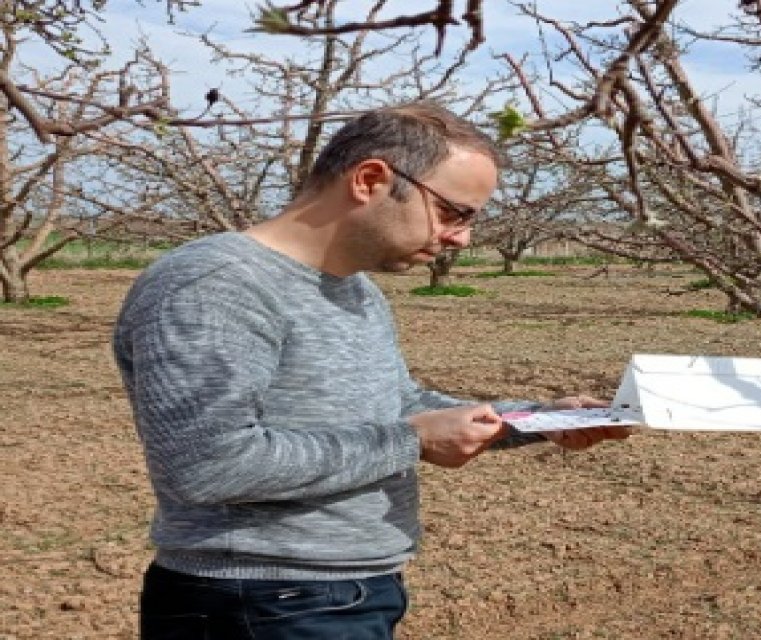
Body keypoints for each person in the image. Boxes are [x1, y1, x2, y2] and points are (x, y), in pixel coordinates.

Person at [112, 100, 631, 639]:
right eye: (454, 212)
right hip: (261, 605)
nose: (462, 238)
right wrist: (409, 442)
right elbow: (208, 465)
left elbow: (398, 406)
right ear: (371, 179)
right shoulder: (214, 285)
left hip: (337, 595)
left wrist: (539, 420)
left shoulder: (354, 289)